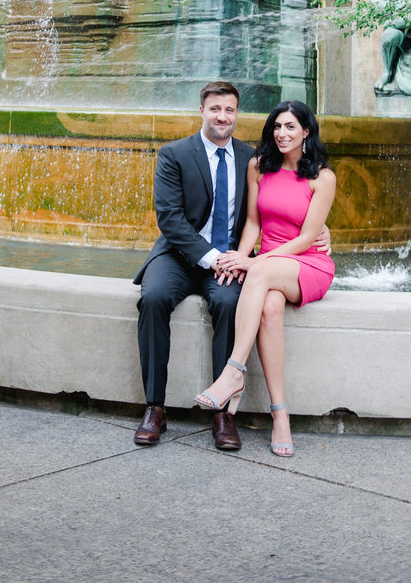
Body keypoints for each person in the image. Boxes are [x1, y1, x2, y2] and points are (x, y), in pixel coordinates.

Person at [133, 81, 330, 451]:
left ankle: (223, 414)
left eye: (230, 110)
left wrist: (323, 230)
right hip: (179, 255)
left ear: (237, 114)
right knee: (154, 298)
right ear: (202, 111)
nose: (222, 116)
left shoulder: (252, 158)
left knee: (228, 303)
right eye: (215, 109)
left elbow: (288, 200)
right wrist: (213, 258)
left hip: (233, 258)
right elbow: (170, 219)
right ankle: (154, 408)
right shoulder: (174, 154)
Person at [194, 100, 336, 458]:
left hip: (307, 264)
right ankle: (280, 416)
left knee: (258, 271)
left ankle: (233, 372)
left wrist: (252, 261)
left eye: (290, 127)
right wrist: (243, 255)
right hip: (269, 265)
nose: (282, 134)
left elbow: (306, 239)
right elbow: (255, 224)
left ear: (307, 131)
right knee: (270, 310)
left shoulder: (323, 177)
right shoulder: (259, 166)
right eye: (277, 126)